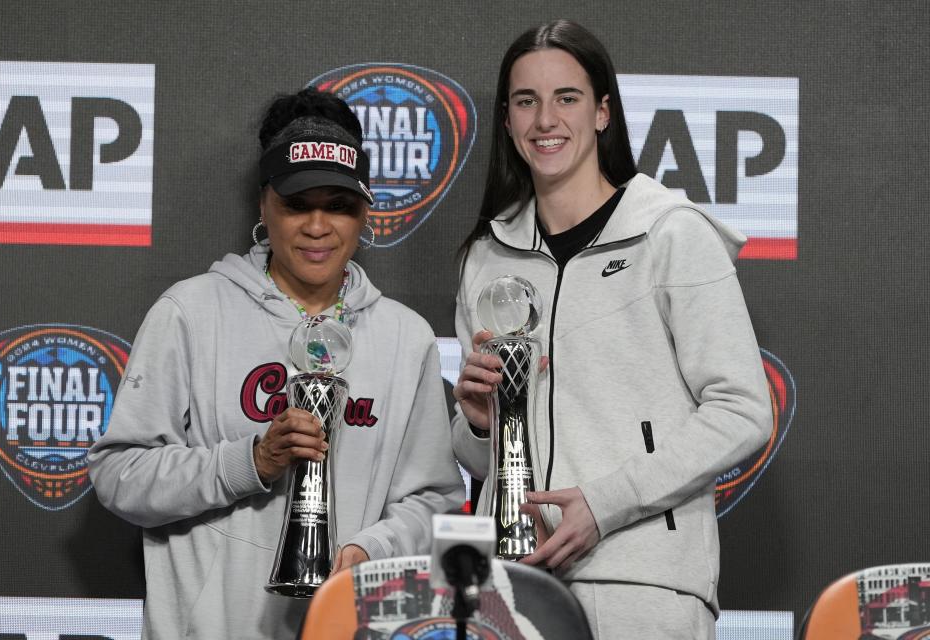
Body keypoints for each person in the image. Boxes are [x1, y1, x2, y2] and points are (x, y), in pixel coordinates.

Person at [88, 87, 465, 639]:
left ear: (365, 212)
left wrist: (372, 548)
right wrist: (252, 461)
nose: (318, 226)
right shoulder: (191, 311)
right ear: (264, 204)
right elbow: (119, 475)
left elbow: (434, 499)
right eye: (297, 203)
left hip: (346, 627)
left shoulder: (405, 337)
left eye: (338, 205)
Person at [451, 19, 773, 640]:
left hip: (642, 580)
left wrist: (606, 503)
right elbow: (475, 458)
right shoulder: (485, 257)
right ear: (508, 119)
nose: (546, 119)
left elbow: (742, 409)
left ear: (602, 112)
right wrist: (474, 421)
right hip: (509, 582)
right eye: (526, 101)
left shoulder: (671, 234)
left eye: (566, 98)